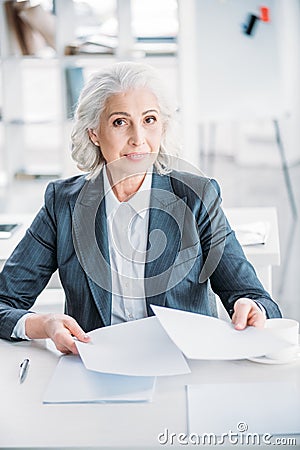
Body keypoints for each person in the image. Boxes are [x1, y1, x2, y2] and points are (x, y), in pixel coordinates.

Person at [0, 61, 281, 354]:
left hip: (185, 365)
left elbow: (257, 298)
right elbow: (3, 304)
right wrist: (44, 324)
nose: (138, 138)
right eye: (120, 122)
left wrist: (252, 308)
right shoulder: (63, 203)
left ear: (163, 127)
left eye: (149, 120)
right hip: (96, 368)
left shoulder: (196, 196)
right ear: (94, 132)